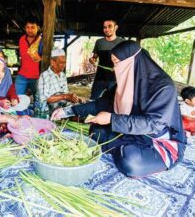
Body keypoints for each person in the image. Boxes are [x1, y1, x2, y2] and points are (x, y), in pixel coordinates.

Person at [52, 40, 186, 177]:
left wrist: (111, 118)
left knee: (130, 162)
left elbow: (153, 124)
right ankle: (122, 148)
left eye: (116, 63)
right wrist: (68, 111)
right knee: (96, 133)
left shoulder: (163, 87)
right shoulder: (126, 82)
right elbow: (100, 104)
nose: (114, 69)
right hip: (132, 134)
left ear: (130, 62)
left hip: (157, 141)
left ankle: (125, 151)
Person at [0, 45, 30, 114]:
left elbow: (10, 88)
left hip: (6, 101)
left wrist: (13, 98)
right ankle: (4, 110)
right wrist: (0, 102)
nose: (0, 59)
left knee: (26, 99)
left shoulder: (5, 70)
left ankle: (6, 110)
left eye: (2, 57)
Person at [37, 48, 81, 114]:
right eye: (61, 62)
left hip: (62, 107)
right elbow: (46, 99)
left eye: (64, 62)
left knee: (82, 106)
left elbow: (65, 93)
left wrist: (73, 97)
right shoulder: (45, 76)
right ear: (52, 62)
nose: (63, 65)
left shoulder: (63, 75)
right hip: (47, 110)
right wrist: (65, 96)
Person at [89, 19, 124, 100]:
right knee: (93, 100)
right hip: (99, 78)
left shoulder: (122, 42)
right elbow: (94, 57)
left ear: (116, 27)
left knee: (114, 102)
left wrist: (119, 66)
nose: (107, 29)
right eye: (105, 27)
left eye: (110, 26)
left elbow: (126, 60)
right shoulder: (99, 42)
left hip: (115, 79)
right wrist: (92, 60)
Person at [15, 17, 42, 99]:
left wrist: (40, 58)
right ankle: (20, 111)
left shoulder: (42, 41)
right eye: (28, 27)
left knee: (39, 100)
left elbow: (49, 58)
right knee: (17, 98)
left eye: (33, 27)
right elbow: (24, 56)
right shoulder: (22, 39)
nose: (30, 30)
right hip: (23, 75)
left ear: (38, 27)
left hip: (37, 77)